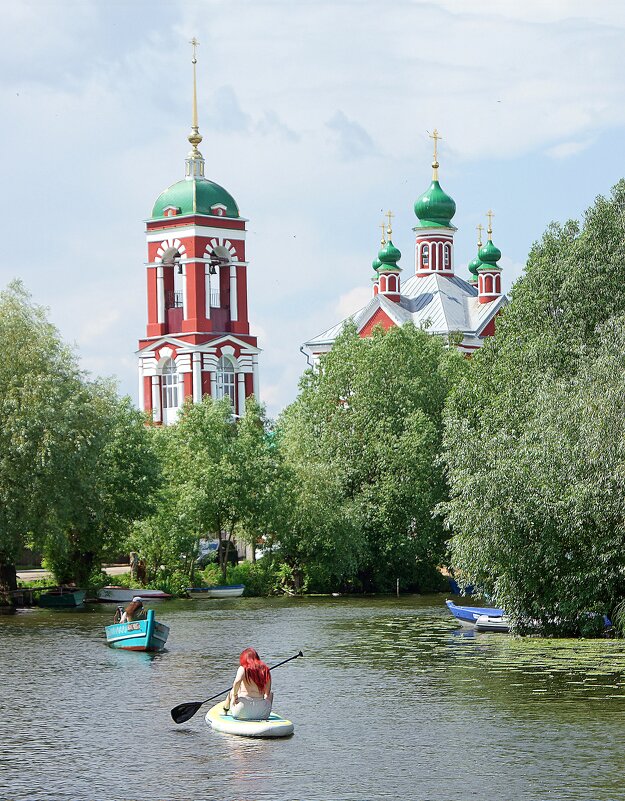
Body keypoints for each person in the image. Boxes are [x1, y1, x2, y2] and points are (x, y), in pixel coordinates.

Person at [223, 648, 273, 720]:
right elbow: (267, 693)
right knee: (271, 694)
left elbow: (237, 682)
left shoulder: (243, 668)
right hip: (261, 713)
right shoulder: (265, 670)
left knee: (232, 691)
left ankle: (225, 709)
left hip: (241, 711)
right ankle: (264, 710)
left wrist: (234, 695)